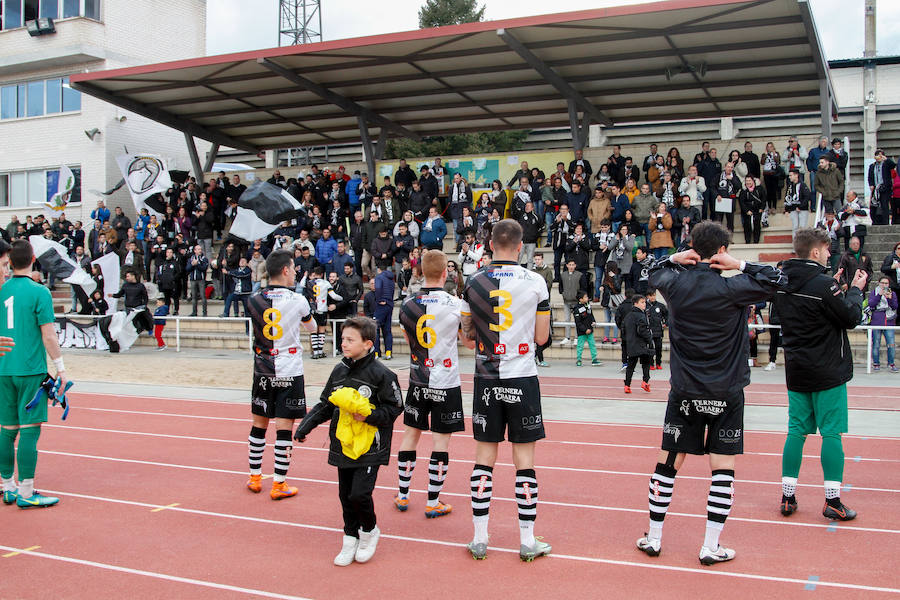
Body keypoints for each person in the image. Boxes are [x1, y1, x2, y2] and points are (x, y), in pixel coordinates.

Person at [636, 221, 786, 564]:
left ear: (692, 247)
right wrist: (741, 265)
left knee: (668, 464)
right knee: (723, 469)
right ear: (722, 251)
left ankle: (655, 538)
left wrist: (675, 257)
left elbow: (645, 272)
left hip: (686, 389)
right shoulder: (736, 289)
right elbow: (780, 281)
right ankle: (710, 545)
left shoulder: (673, 282)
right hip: (727, 388)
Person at [459, 219, 552, 562]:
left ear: (490, 243)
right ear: (519, 245)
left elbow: (467, 338)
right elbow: (542, 338)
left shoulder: (473, 281)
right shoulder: (536, 281)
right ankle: (527, 541)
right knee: (524, 462)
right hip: (522, 377)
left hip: (486, 377)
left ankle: (480, 538)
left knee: (484, 459)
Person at [293, 317, 403, 566]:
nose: (344, 343)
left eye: (350, 340)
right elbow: (326, 404)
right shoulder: (339, 370)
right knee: (345, 495)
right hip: (343, 445)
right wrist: (305, 425)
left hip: (370, 447)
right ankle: (349, 537)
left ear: (367, 344)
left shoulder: (382, 375)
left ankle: (369, 531)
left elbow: (395, 408)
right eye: (343, 339)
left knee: (359, 494)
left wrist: (369, 415)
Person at [775, 227, 867, 522]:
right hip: (827, 369)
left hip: (797, 369)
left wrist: (835, 287)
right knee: (831, 433)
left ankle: (788, 496)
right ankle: (833, 500)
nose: (829, 254)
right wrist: (854, 291)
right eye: (826, 250)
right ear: (815, 252)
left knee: (796, 431)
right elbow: (851, 317)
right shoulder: (823, 284)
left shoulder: (783, 281)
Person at [395, 250, 475, 517]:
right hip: (446, 381)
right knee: (440, 443)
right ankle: (433, 500)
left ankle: (403, 495)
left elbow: (408, 342)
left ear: (419, 272)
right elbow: (470, 342)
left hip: (418, 379)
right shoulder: (456, 304)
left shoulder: (406, 305)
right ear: (446, 273)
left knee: (410, 435)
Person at [1, 240, 68, 508]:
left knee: (6, 431)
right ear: (32, 259)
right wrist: (60, 368)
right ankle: (27, 492)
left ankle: (7, 486)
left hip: (4, 369)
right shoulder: (40, 292)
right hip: (30, 370)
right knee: (29, 431)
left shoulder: (2, 290)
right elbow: (48, 335)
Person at [245, 250, 317, 500]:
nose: (296, 272)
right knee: (284, 430)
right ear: (285, 270)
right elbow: (312, 327)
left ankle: (255, 477)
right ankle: (279, 483)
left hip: (263, 369)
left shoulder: (253, 299)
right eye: (294, 268)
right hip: (289, 370)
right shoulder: (298, 300)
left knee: (258, 426)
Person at [622, 293, 652, 393]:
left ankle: (627, 385)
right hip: (641, 343)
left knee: (631, 365)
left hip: (631, 344)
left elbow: (623, 329)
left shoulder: (628, 316)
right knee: (646, 363)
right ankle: (645, 382)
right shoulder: (641, 316)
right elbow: (642, 330)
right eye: (642, 302)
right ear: (635, 303)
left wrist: (627, 340)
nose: (644, 304)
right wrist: (649, 340)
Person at [869, 276, 898, 371]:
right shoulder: (874, 292)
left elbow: (895, 306)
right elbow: (871, 304)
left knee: (891, 344)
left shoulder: (892, 293)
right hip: (877, 321)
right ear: (879, 283)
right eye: (883, 283)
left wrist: (889, 298)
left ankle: (891, 363)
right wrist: (879, 295)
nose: (884, 285)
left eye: (886, 283)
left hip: (889, 321)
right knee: (876, 343)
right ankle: (876, 363)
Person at [573, 290, 601, 367]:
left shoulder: (588, 305)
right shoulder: (577, 308)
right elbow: (578, 322)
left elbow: (591, 315)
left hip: (590, 330)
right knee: (580, 346)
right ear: (580, 299)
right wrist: (585, 330)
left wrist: (593, 322)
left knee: (592, 345)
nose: (587, 298)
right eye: (585, 297)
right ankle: (579, 360)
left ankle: (594, 359)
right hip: (582, 332)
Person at [373, 267, 395, 359]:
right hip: (389, 304)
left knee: (375, 329)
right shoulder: (391, 279)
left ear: (379, 269)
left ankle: (376, 353)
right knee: (387, 330)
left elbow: (377, 288)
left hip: (381, 305)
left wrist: (379, 300)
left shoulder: (379, 277)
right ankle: (388, 352)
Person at [784, 169, 811, 237]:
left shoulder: (802, 185)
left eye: (791, 175)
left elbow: (807, 196)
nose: (789, 177)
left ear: (796, 175)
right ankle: (796, 245)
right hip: (793, 209)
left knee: (802, 227)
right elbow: (787, 197)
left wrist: (800, 206)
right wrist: (787, 209)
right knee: (795, 227)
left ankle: (803, 245)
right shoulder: (790, 186)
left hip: (802, 209)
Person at [646, 288, 667, 370]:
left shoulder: (660, 306)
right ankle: (651, 364)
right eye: (651, 296)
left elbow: (667, 315)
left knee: (658, 348)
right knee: (650, 348)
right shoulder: (645, 306)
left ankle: (658, 363)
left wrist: (666, 323)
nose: (653, 297)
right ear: (648, 296)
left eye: (654, 295)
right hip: (649, 331)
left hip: (658, 331)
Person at [186, 245, 209, 317]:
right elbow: (187, 269)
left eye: (200, 249)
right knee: (194, 296)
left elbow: (204, 268)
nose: (199, 250)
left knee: (203, 296)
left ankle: (204, 312)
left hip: (201, 279)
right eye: (198, 249)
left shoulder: (204, 258)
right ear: (195, 251)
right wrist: (192, 265)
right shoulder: (191, 258)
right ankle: (194, 312)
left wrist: (197, 264)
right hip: (193, 279)